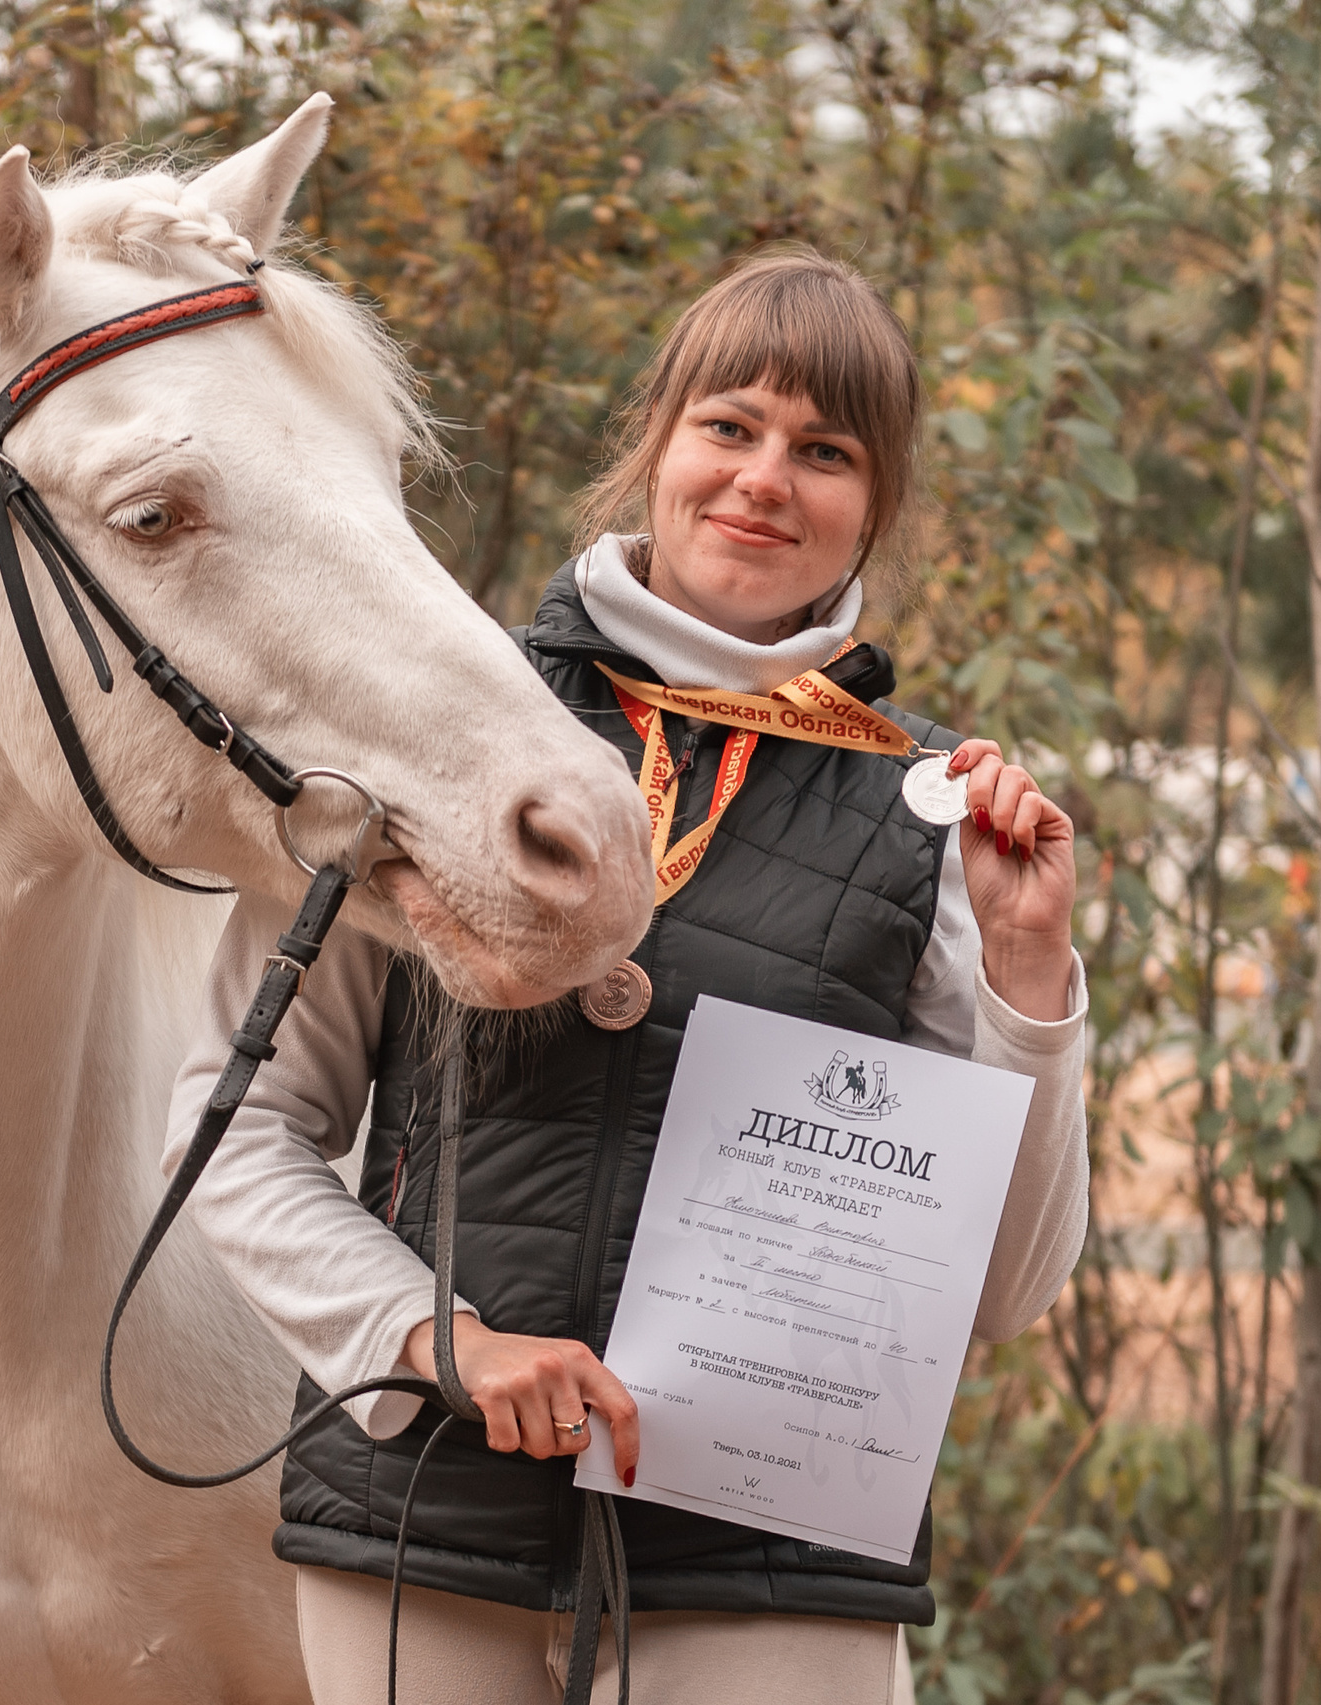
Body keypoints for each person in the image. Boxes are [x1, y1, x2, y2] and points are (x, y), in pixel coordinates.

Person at [165, 248, 1089, 1705]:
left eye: (825, 450)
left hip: (766, 1570)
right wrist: (435, 1339)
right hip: (424, 1536)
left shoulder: (933, 818)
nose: (764, 480)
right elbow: (235, 1131)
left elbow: (1006, 1290)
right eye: (729, 425)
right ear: (655, 443)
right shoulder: (431, 724)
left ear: (875, 505)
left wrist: (1032, 975)